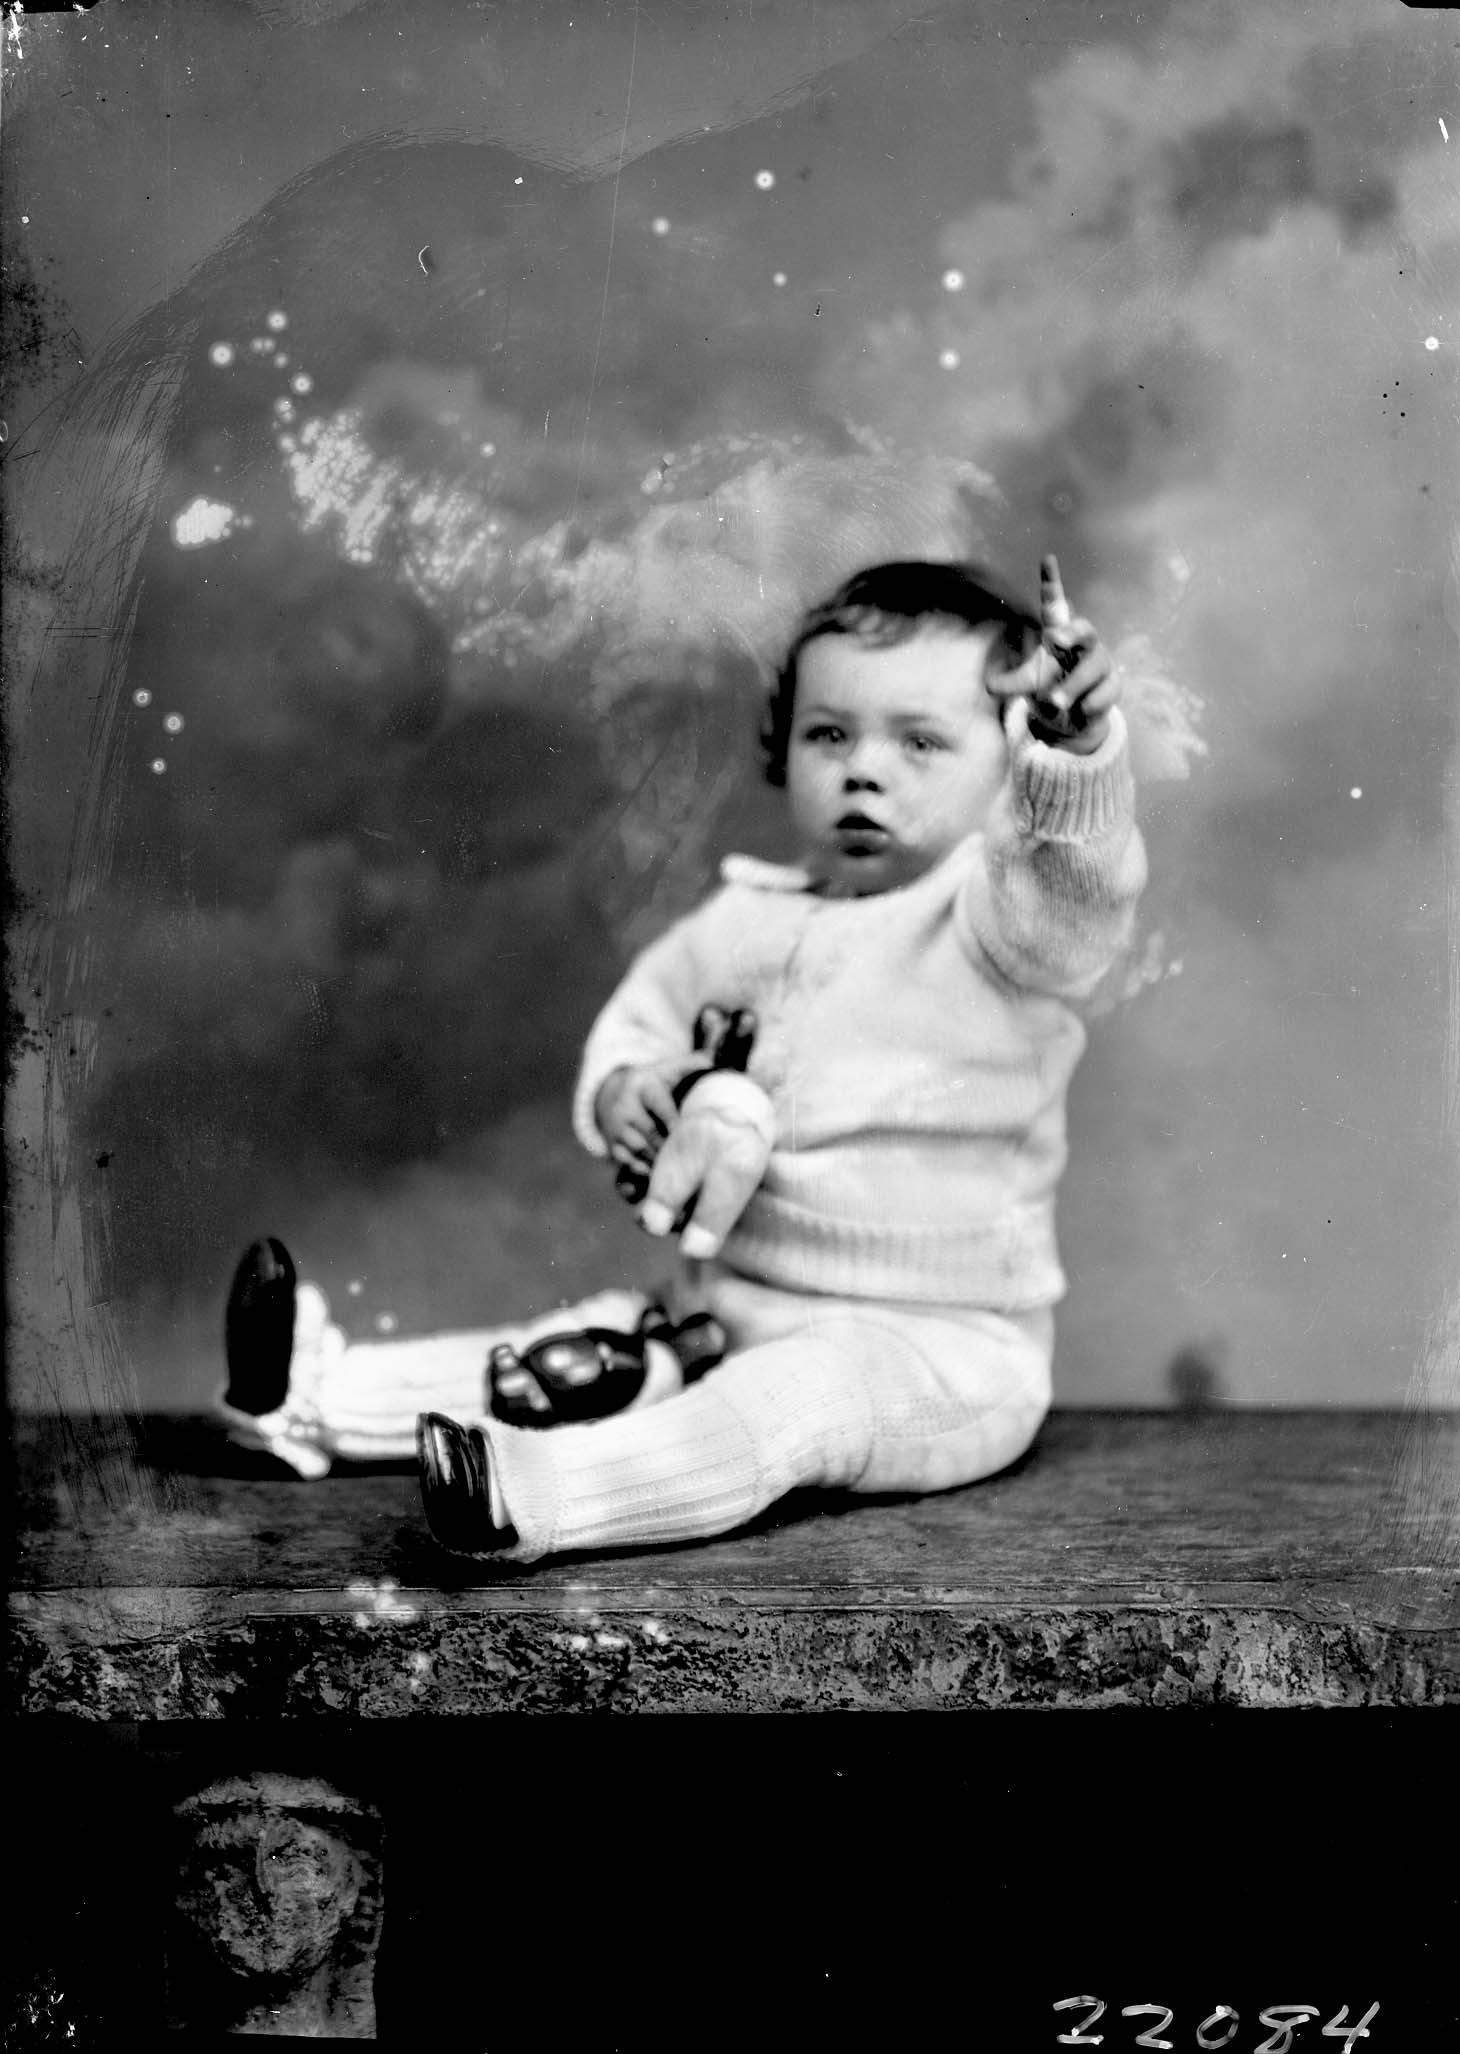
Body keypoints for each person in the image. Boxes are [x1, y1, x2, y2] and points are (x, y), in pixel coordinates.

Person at [223, 553, 1146, 1563]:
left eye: (920, 740)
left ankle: (538, 1494)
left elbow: (1075, 890)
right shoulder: (742, 917)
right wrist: (628, 1090)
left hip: (935, 1349)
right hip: (729, 1304)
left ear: (1009, 761)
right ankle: (311, 1396)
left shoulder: (998, 922)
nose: (863, 769)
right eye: (828, 733)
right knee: (579, 1356)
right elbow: (639, 1026)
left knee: (793, 1399)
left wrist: (1070, 757)